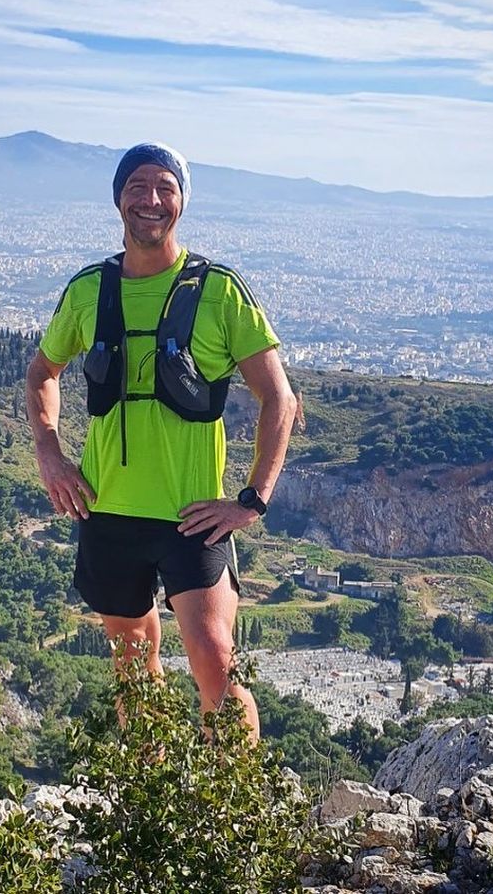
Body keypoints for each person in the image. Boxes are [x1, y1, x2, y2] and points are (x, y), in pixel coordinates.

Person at [26, 142, 297, 740]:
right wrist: (50, 454)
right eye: (137, 186)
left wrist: (252, 500)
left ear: (181, 202)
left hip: (191, 516)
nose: (150, 199)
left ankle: (238, 793)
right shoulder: (89, 290)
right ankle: (151, 792)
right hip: (108, 510)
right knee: (132, 665)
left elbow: (279, 398)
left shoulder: (219, 290)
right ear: (118, 198)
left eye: (165, 188)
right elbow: (43, 371)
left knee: (216, 660)